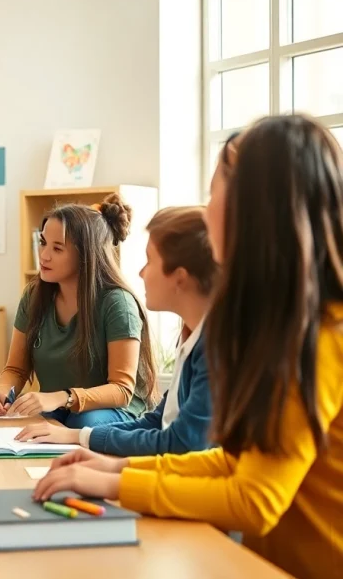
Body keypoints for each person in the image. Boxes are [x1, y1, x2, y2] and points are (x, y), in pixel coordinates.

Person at [33, 115, 343, 579]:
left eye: (213, 191)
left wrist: (115, 485)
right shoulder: (288, 322)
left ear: (249, 207)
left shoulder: (317, 335)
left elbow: (253, 500)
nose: (207, 205)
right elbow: (238, 463)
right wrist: (116, 474)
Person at [16, 206, 217, 456]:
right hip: (177, 474)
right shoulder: (190, 337)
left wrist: (110, 477)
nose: (141, 273)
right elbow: (158, 424)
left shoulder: (215, 349)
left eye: (150, 261)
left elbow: (180, 444)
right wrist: (79, 442)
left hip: (112, 416)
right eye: (44, 243)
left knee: (80, 423)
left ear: (180, 277)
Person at [0, 194, 159, 427]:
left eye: (57, 248)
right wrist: (1, 391)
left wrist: (63, 397)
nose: (44, 255)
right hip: (59, 409)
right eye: (42, 243)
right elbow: (16, 369)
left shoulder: (117, 303)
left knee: (82, 421)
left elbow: (121, 390)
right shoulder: (33, 297)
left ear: (86, 254)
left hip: (114, 411)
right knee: (23, 422)